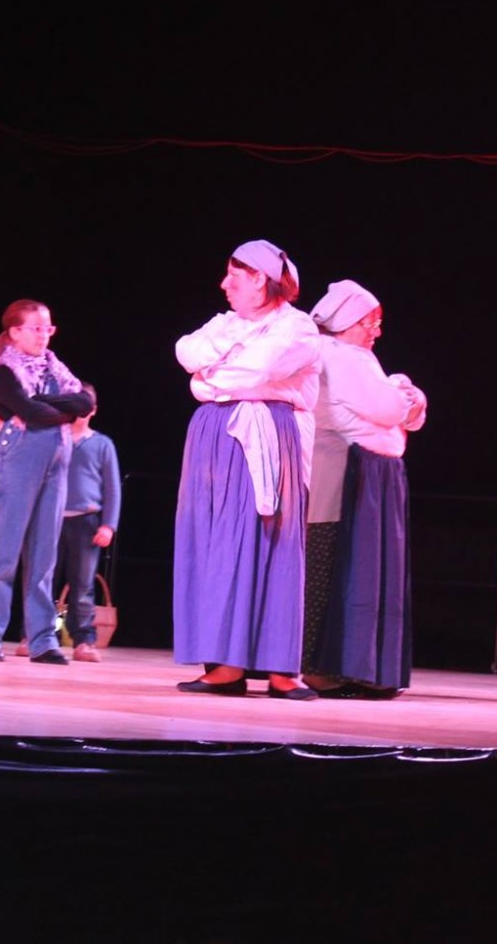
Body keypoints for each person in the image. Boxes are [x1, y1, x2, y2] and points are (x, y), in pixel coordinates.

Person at [172, 240, 324, 700]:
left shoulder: (297, 327)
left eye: (234, 277)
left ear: (260, 279)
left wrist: (210, 377)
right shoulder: (226, 323)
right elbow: (186, 351)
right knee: (218, 544)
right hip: (216, 435)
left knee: (272, 542)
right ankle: (225, 664)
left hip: (268, 435)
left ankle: (281, 669)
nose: (224, 285)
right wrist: (222, 359)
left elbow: (257, 371)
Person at [302, 279, 428, 699]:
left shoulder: (358, 358)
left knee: (358, 575)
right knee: (331, 570)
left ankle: (353, 666)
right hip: (340, 476)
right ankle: (319, 667)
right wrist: (404, 396)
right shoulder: (337, 355)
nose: (377, 330)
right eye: (370, 322)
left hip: (363, 475)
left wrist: (404, 401)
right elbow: (389, 409)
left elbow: (404, 417)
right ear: (347, 320)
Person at [0, 299, 94, 665]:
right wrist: (61, 409)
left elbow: (84, 402)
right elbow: (28, 410)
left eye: (47, 328)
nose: (43, 335)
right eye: (36, 328)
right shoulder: (7, 371)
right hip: (21, 455)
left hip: (57, 458)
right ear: (15, 332)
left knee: (44, 553)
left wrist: (50, 403)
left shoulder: (55, 367)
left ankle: (42, 639)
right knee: (6, 549)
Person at [57, 386, 121, 662]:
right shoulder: (54, 438)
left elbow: (113, 487)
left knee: (83, 584)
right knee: (41, 580)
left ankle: (84, 640)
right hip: (52, 519)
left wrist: (108, 525)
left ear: (93, 410)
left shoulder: (102, 444)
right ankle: (35, 635)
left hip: (86, 521)